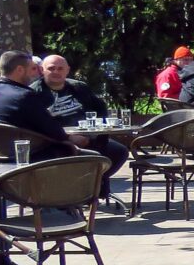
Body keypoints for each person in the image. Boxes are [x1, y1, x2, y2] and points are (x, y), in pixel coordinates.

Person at [30, 54, 129, 197]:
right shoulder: (34, 93)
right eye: (51, 68)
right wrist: (67, 137)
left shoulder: (79, 87)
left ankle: (91, 185)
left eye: (60, 68)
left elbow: (100, 109)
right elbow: (36, 124)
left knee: (119, 151)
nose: (56, 72)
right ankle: (73, 192)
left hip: (88, 136)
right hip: (55, 141)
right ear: (42, 70)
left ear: (67, 70)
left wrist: (97, 131)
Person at [0, 51, 86, 159]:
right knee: (93, 154)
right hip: (38, 157)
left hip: (0, 157)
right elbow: (54, 131)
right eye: (32, 69)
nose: (34, 74)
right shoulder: (24, 95)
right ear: (20, 70)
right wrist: (75, 139)